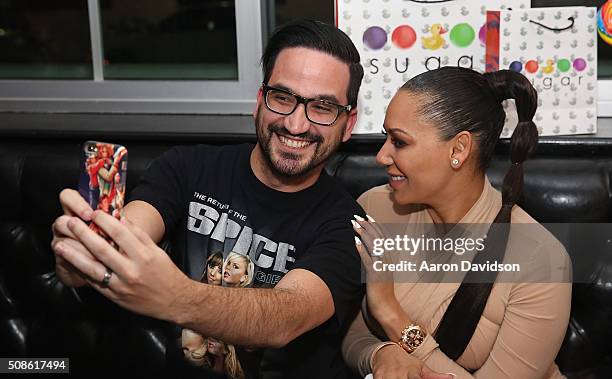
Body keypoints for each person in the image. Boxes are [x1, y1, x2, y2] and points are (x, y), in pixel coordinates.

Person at [51, 20, 371, 378]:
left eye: (323, 107)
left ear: (348, 124)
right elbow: (128, 234)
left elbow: (286, 316)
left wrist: (175, 296)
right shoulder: (187, 167)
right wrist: (81, 253)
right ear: (259, 103)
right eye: (282, 98)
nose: (296, 125)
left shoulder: (349, 226)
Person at [343, 67, 572, 379]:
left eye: (399, 142)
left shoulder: (539, 260)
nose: (381, 156)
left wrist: (391, 314)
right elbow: (351, 332)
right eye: (386, 138)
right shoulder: (376, 209)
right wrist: (383, 353)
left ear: (459, 149)